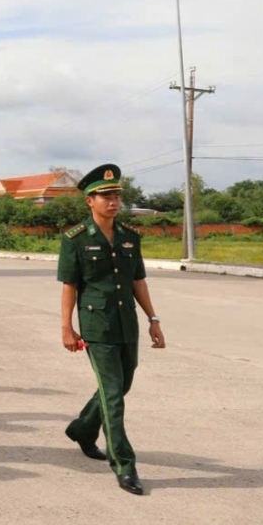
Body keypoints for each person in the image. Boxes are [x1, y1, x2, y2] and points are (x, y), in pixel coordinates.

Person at [58, 163, 166, 496]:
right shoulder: (75, 239)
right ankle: (124, 464)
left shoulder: (130, 237)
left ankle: (82, 429)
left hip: (127, 324)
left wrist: (153, 320)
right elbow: (69, 286)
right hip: (97, 326)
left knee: (123, 382)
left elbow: (138, 281)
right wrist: (67, 327)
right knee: (114, 396)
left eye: (116, 195)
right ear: (89, 201)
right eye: (105, 196)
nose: (113, 201)